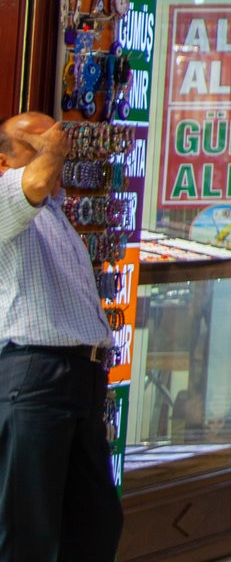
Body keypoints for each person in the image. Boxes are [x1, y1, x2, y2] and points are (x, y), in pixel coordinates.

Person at [0, 112, 121, 562]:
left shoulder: (55, 212)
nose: (59, 147)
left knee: (94, 523)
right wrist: (52, 149)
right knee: (29, 528)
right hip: (34, 374)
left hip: (80, 378)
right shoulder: (7, 197)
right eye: (39, 144)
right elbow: (32, 184)